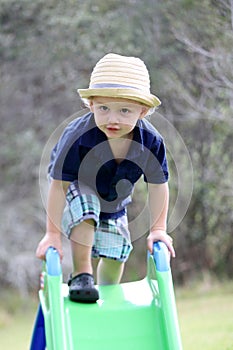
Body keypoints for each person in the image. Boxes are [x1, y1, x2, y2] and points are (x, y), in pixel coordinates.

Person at [36, 53, 175, 303]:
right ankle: (82, 274)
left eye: (124, 110)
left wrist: (158, 229)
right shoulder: (77, 137)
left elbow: (158, 185)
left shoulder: (151, 143)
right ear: (91, 106)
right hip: (76, 187)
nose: (113, 119)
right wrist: (52, 234)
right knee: (87, 209)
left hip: (114, 199)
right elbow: (58, 185)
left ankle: (108, 294)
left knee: (116, 252)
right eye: (103, 108)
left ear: (142, 111)